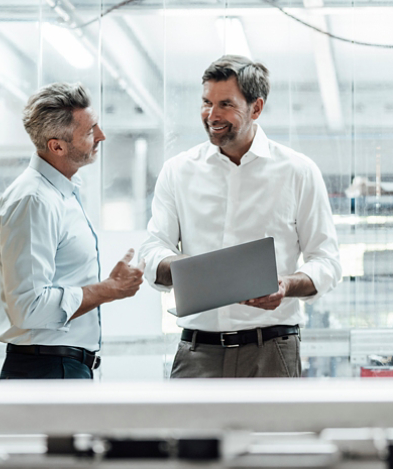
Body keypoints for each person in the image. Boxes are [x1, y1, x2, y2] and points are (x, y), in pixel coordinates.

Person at [140, 55, 341, 378]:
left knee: (273, 432)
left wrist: (286, 285)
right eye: (206, 102)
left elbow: (327, 262)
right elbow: (151, 252)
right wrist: (192, 272)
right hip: (197, 354)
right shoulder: (178, 171)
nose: (211, 115)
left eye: (225, 105)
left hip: (272, 351)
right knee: (190, 432)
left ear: (256, 108)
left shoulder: (297, 171)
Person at [0, 82, 143, 380]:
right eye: (89, 132)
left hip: (60, 367)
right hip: (45, 370)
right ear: (56, 146)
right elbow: (29, 307)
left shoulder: (63, 193)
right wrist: (109, 289)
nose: (101, 136)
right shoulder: (34, 200)